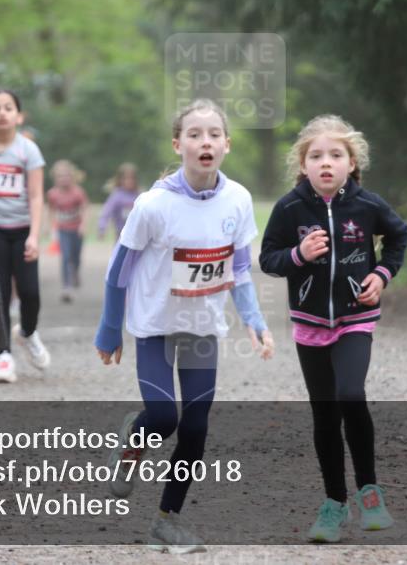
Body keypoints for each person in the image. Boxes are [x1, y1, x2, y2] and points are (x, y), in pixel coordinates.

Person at [93, 99, 275, 554]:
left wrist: (254, 320)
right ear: (178, 145)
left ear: (227, 145)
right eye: (195, 134)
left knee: (195, 429)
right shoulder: (153, 205)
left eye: (214, 133)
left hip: (201, 327)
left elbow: (239, 268)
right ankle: (133, 440)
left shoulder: (238, 199)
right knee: (162, 418)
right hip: (154, 325)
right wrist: (109, 330)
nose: (205, 141)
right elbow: (118, 272)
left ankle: (166, 520)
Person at [259, 114, 407, 543]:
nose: (326, 163)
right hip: (309, 325)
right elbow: (268, 259)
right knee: (324, 414)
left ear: (352, 163)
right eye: (316, 156)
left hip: (355, 320)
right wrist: (299, 255)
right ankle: (333, 504)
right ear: (302, 165)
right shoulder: (289, 208)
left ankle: (370, 493)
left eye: (336, 155)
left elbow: (398, 237)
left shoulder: (367, 205)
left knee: (350, 394)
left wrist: (381, 274)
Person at [0, 89, 48, 383]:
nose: (2, 112)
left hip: (23, 229)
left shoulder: (28, 151)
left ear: (19, 116)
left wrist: (35, 236)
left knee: (30, 293)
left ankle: (27, 332)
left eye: (8, 107)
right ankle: (4, 357)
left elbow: (37, 195)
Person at [46, 159, 88, 303]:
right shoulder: (52, 194)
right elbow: (51, 211)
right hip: (63, 229)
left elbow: (83, 209)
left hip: (76, 230)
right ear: (55, 178)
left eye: (66, 176)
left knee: (75, 257)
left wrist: (83, 224)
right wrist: (52, 228)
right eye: (60, 176)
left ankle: (75, 272)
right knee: (65, 257)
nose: (64, 179)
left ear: (72, 177)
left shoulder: (78, 192)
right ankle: (66, 287)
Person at [97, 162, 140, 240]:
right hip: (121, 237)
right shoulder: (116, 196)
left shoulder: (140, 195)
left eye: (132, 178)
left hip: (137, 237)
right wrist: (102, 227)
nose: (129, 181)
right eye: (126, 178)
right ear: (120, 180)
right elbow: (106, 212)